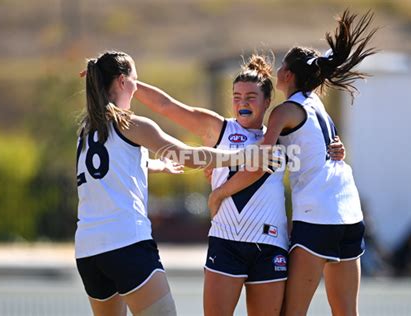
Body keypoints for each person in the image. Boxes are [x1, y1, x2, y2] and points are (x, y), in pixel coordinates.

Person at [134, 55, 345, 316]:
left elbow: (313, 145)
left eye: (250, 97)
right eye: (236, 96)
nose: (242, 103)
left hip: (270, 246)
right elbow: (167, 106)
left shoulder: (281, 135)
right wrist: (128, 82)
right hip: (227, 241)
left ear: (268, 101)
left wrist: (334, 148)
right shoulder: (218, 129)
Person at [75, 51, 273, 316]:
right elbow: (188, 156)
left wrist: (157, 165)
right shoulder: (132, 124)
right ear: (122, 82)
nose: (136, 86)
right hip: (125, 242)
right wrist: (242, 155)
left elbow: (109, 168)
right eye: (135, 79)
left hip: (88, 251)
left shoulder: (87, 130)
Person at [208, 10, 378, 316]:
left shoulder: (283, 111)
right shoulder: (317, 105)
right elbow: (327, 149)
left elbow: (260, 157)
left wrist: (219, 182)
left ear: (288, 75)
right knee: (346, 311)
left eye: (282, 66)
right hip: (350, 213)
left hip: (317, 217)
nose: (278, 70)